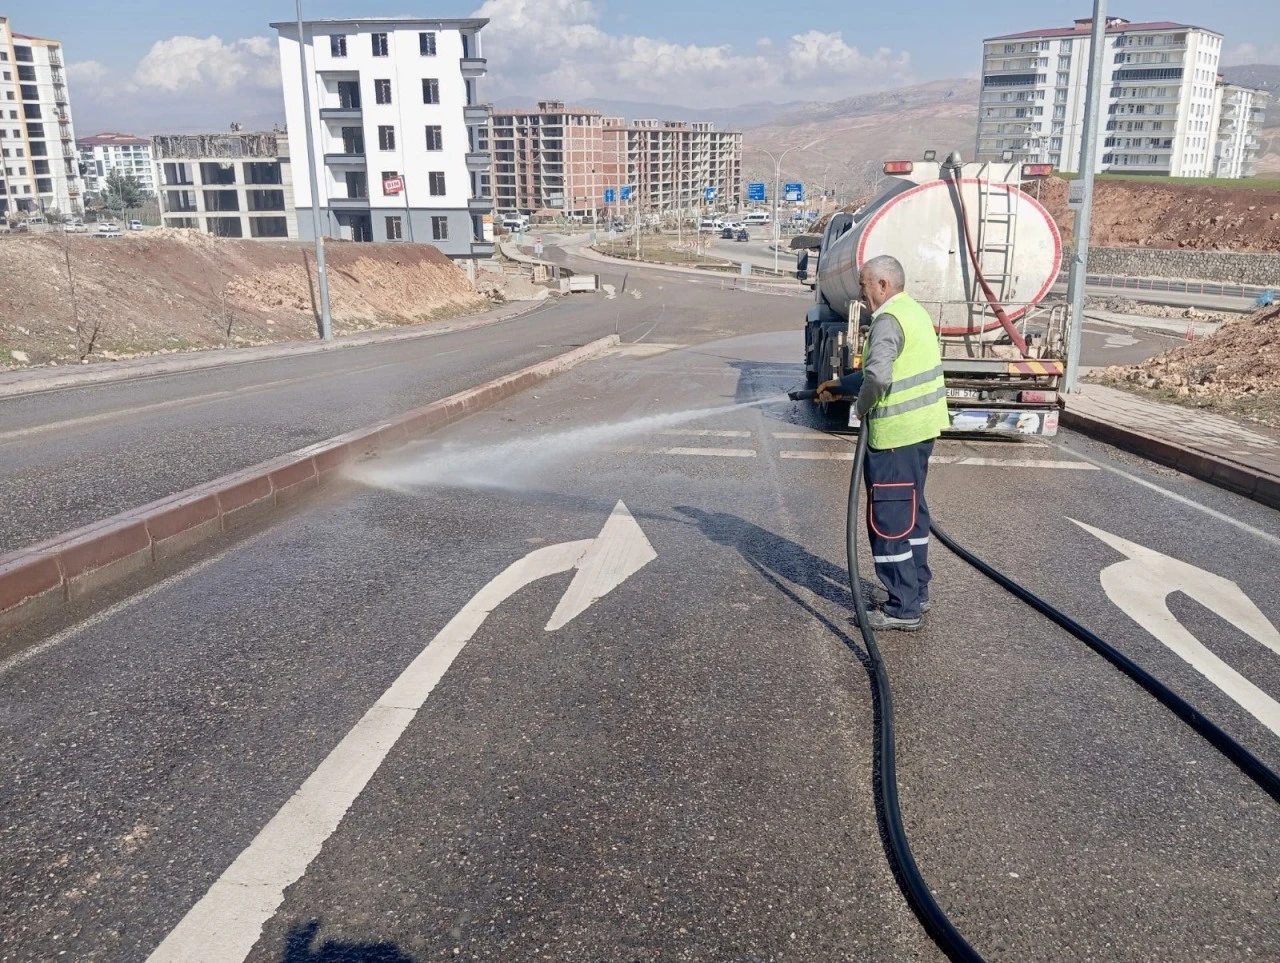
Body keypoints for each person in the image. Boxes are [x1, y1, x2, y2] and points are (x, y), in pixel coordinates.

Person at [817, 255, 949, 631]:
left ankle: (902, 608)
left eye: (864, 285)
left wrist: (860, 407)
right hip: (920, 432)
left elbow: (878, 377)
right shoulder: (913, 312)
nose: (861, 293)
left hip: (895, 436)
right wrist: (840, 385)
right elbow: (890, 369)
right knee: (912, 517)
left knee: (889, 521)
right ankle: (918, 591)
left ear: (882, 286)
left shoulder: (888, 320)